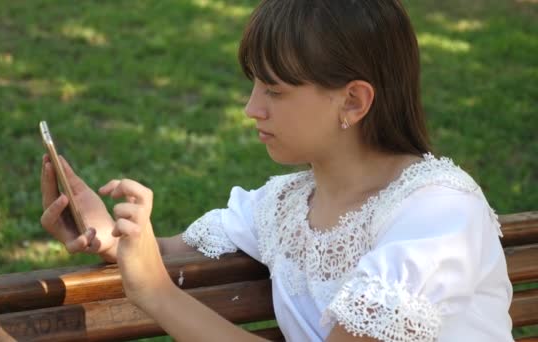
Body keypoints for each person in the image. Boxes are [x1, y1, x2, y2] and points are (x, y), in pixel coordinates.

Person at [40, 0, 513, 341]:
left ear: (354, 100)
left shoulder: (439, 217)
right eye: (254, 87)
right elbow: (160, 251)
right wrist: (108, 231)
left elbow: (157, 279)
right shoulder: (284, 205)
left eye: (275, 91)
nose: (251, 109)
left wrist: (160, 295)